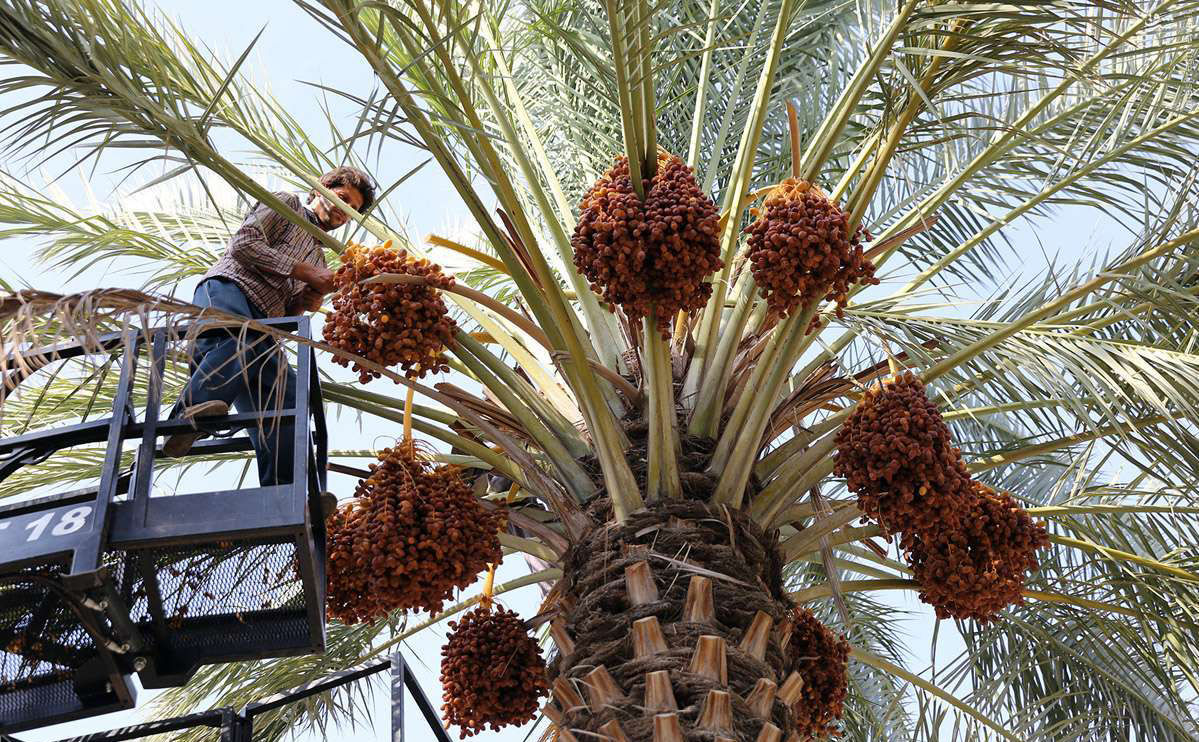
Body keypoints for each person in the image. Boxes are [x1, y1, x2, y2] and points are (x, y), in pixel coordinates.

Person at [163, 166, 376, 503]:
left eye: (350, 211)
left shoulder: (319, 254)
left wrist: (308, 298)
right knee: (239, 339)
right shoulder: (287, 204)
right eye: (342, 198)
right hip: (230, 290)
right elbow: (244, 244)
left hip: (265, 329)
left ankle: (287, 496)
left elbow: (289, 313)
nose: (341, 211)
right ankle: (184, 420)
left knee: (289, 399)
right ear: (320, 188)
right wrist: (306, 272)